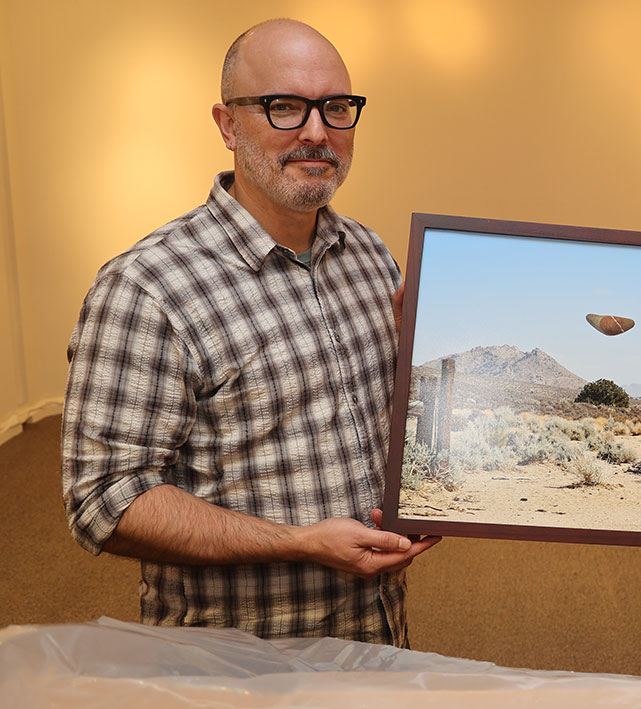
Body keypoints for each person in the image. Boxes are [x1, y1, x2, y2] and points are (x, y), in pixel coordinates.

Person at [60, 19, 439, 644]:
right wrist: (298, 544)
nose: (317, 132)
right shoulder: (148, 288)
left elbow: (371, 417)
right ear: (228, 124)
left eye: (336, 108)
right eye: (283, 107)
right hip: (239, 667)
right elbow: (105, 501)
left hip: (377, 640)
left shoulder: (372, 257)